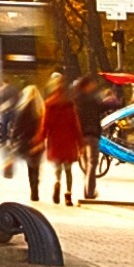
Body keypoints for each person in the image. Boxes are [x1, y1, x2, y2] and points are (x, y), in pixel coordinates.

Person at [39, 73, 84, 206]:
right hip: (69, 141)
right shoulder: (69, 104)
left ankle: (57, 182)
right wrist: (80, 144)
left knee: (57, 168)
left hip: (55, 140)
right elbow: (75, 125)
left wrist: (40, 139)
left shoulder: (50, 103)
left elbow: (45, 124)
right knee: (68, 170)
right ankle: (68, 195)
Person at [72, 67, 109, 202]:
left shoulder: (76, 100)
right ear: (87, 85)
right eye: (92, 84)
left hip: (80, 135)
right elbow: (102, 108)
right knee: (92, 163)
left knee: (86, 164)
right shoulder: (92, 99)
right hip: (92, 134)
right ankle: (90, 191)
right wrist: (110, 100)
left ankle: (88, 188)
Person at [6, 80, 44, 195]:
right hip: (38, 141)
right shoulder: (40, 109)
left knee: (30, 166)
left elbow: (18, 125)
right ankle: (35, 187)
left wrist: (13, 138)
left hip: (26, 140)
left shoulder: (24, 108)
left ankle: (33, 189)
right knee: (36, 166)